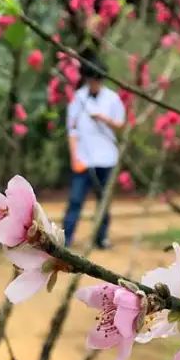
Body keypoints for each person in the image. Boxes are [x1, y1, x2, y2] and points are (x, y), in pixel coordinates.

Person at [61, 55, 126, 248]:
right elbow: (72, 131)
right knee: (75, 201)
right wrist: (75, 157)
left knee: (103, 202)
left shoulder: (112, 99)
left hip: (107, 158)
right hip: (84, 159)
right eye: (90, 80)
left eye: (97, 80)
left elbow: (121, 125)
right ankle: (66, 239)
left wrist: (104, 119)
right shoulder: (78, 99)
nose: (94, 84)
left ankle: (101, 238)